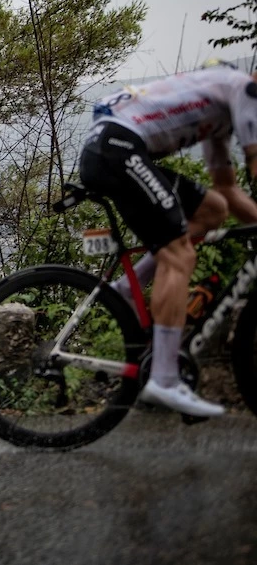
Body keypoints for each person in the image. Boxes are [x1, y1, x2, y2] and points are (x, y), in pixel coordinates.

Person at [79, 60, 257, 418]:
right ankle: (164, 379)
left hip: (114, 148)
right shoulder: (246, 91)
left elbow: (229, 192)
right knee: (179, 256)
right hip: (117, 148)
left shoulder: (219, 120)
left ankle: (128, 289)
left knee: (212, 209)